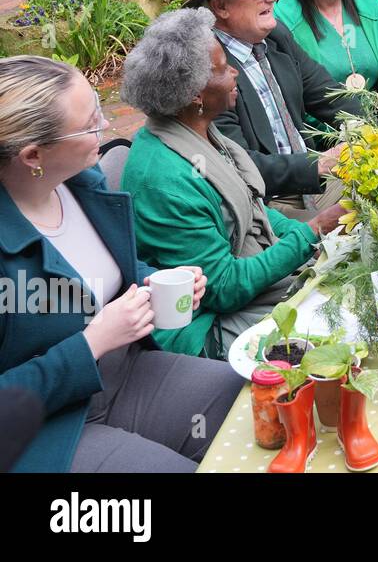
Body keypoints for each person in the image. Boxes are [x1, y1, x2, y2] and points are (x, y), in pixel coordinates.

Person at [0, 56, 244, 471]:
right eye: (91, 123)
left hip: (124, 373)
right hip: (46, 428)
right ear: (33, 155)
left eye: (99, 107)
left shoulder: (79, 185)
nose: (108, 127)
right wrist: (91, 343)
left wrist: (155, 281)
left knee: (252, 408)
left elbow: (109, 281)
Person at [120, 9, 346, 359]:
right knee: (335, 323)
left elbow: (255, 209)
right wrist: (313, 231)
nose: (235, 73)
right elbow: (223, 287)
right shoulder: (164, 178)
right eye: (224, 68)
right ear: (195, 92)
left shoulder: (202, 132)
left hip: (248, 291)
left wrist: (317, 240)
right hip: (207, 327)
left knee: (348, 281)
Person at [185, 0, 361, 220]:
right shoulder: (210, 73)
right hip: (266, 205)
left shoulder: (276, 37)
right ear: (221, 7)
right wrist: (318, 164)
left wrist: (374, 125)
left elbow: (328, 95)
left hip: (317, 185)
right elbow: (236, 163)